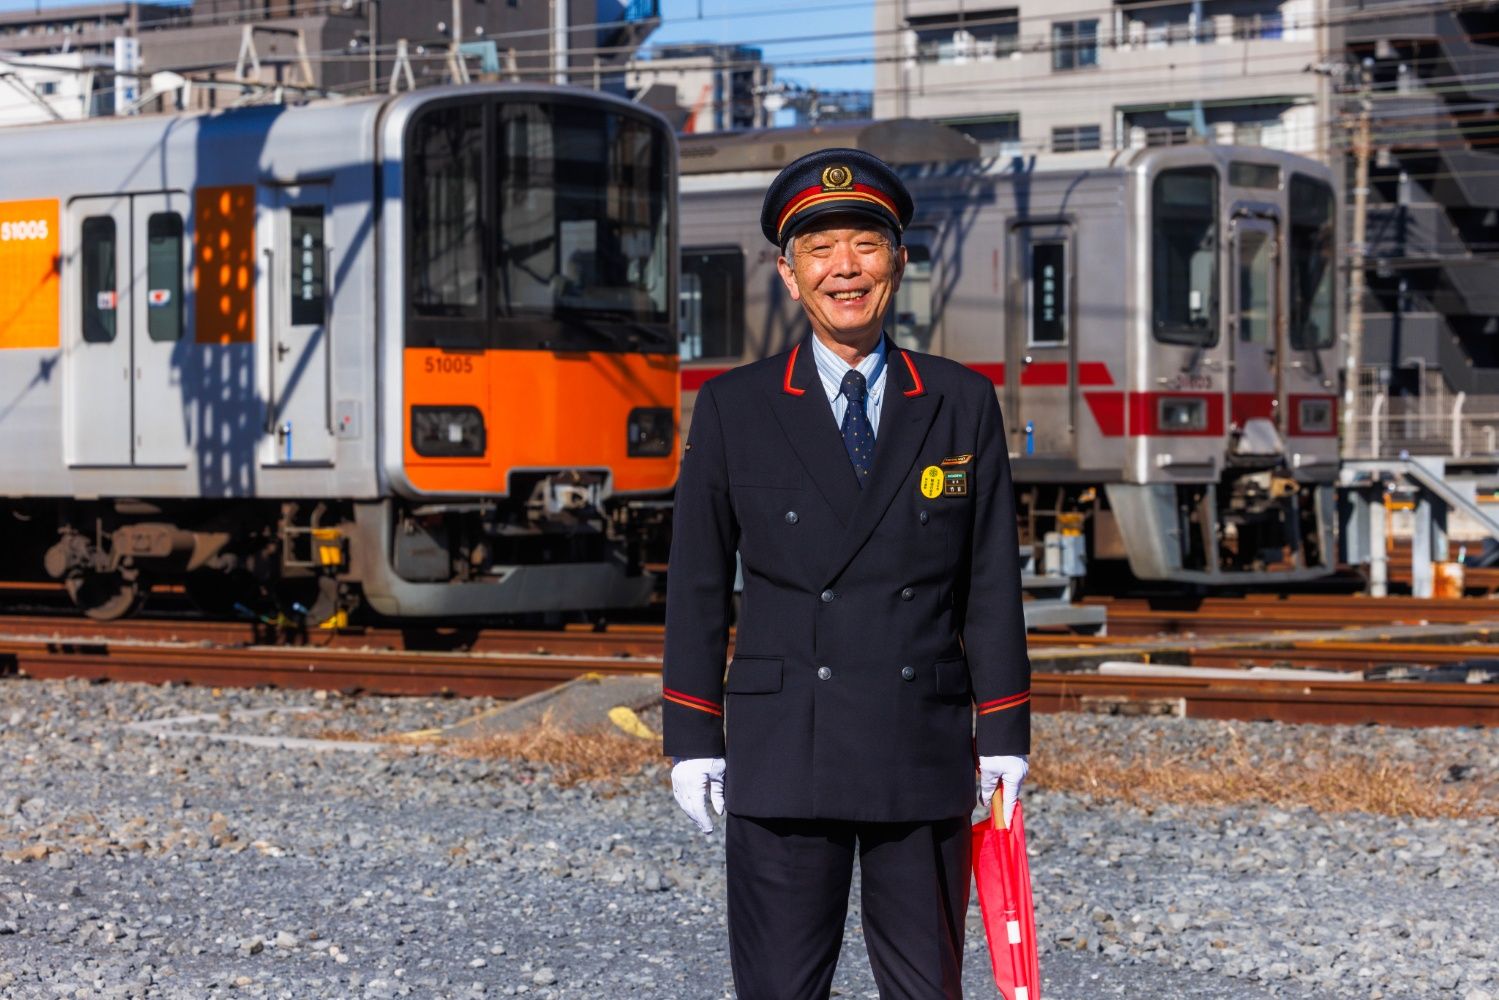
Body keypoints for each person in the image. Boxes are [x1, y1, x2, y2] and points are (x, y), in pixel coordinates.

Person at [662, 147, 1031, 1000]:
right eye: (819, 250)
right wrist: (690, 737)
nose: (844, 270)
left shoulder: (958, 399)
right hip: (785, 744)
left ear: (897, 264)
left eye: (863, 245)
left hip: (921, 742)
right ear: (788, 277)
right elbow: (696, 583)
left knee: (924, 987)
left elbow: (987, 581)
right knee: (781, 987)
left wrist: (1005, 730)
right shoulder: (734, 404)